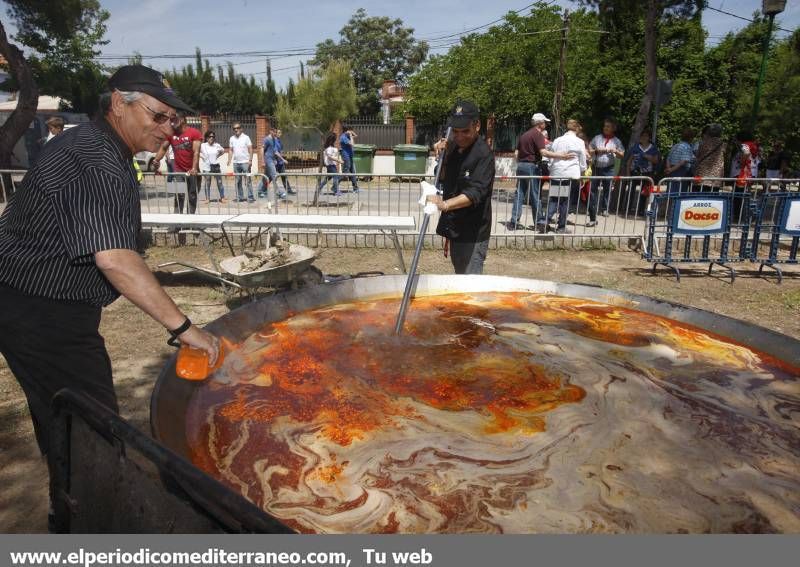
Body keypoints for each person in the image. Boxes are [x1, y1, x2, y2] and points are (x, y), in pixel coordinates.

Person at [0, 65, 219, 529]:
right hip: (39, 312)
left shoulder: (94, 145)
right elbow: (115, 259)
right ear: (119, 103)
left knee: (66, 420)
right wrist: (185, 329)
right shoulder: (95, 158)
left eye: (174, 121)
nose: (169, 129)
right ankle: (87, 525)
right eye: (159, 117)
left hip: (36, 303)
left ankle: (72, 509)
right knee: (90, 431)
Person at [427, 100, 495, 275]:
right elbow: (442, 177)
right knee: (460, 276)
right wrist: (442, 156)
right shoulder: (453, 148)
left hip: (473, 232)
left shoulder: (483, 154)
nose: (459, 136)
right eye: (455, 132)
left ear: (477, 125)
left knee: (470, 282)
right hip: (455, 227)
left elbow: (475, 193)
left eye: (465, 131)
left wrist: (445, 204)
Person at [506, 113, 568, 231]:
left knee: (519, 194)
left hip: (521, 166)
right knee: (535, 195)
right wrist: (561, 155)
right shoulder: (537, 134)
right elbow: (544, 153)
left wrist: (521, 163)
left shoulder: (524, 134)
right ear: (540, 123)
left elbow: (516, 153)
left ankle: (513, 222)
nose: (545, 124)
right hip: (532, 166)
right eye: (544, 122)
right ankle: (539, 223)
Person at [541, 119, 586, 234]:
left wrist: (552, 169)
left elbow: (551, 156)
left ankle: (545, 222)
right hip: (570, 175)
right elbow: (582, 160)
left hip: (557, 173)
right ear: (576, 129)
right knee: (565, 201)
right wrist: (582, 172)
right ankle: (561, 227)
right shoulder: (579, 142)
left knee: (554, 199)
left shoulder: (557, 140)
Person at [153, 114, 201, 213]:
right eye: (171, 120)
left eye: (174, 119)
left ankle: (190, 221)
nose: (172, 122)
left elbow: (196, 152)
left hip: (192, 171)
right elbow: (163, 148)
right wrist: (156, 160)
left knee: (192, 195)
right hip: (178, 171)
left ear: (183, 119)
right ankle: (177, 223)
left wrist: (194, 168)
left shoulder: (194, 133)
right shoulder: (171, 134)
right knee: (179, 195)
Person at [587, 118, 625, 225]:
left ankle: (605, 209)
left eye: (608, 126)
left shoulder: (617, 141)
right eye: (604, 126)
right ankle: (592, 209)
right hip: (596, 167)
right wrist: (596, 151)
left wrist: (615, 151)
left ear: (613, 128)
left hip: (609, 168)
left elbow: (622, 155)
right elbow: (589, 150)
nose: (605, 128)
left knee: (607, 189)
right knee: (593, 189)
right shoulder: (597, 138)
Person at [624, 128, 659, 214]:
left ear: (649, 138)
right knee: (630, 191)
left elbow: (656, 160)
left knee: (644, 192)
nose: (643, 137)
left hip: (647, 173)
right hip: (635, 172)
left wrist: (647, 156)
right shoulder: (635, 147)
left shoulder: (653, 148)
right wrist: (628, 174)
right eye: (642, 136)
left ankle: (640, 210)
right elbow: (629, 161)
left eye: (646, 136)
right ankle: (627, 209)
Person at [226, 123, 254, 203]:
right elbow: (231, 150)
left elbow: (250, 149)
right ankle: (240, 197)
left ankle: (250, 197)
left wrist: (250, 160)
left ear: (241, 129)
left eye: (238, 128)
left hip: (245, 162)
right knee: (238, 181)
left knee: (248, 180)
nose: (236, 129)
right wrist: (229, 159)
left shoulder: (246, 137)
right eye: (234, 128)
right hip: (236, 163)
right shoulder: (232, 138)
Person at [693, 123, 725, 192]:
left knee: (699, 195)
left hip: (702, 174)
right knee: (713, 197)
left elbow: (698, 154)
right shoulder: (723, 144)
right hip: (716, 176)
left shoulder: (703, 143)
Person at [664, 127, 696, 193]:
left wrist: (669, 168)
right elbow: (683, 162)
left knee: (671, 190)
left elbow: (668, 158)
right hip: (682, 171)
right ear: (691, 138)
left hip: (673, 169)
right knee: (679, 191)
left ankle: (669, 203)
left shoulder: (676, 145)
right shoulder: (687, 147)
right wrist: (671, 169)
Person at [199, 130, 226, 203]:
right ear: (207, 137)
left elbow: (223, 151)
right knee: (207, 183)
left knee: (219, 182)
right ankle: (207, 198)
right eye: (210, 136)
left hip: (216, 166)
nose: (211, 138)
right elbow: (196, 151)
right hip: (207, 167)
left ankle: (222, 197)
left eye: (213, 137)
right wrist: (202, 157)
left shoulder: (217, 145)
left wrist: (217, 156)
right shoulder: (203, 145)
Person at [260, 127, 286, 201]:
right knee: (274, 175)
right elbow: (262, 149)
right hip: (268, 160)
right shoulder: (266, 139)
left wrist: (282, 159)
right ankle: (279, 192)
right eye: (274, 132)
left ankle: (261, 191)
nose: (275, 134)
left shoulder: (274, 139)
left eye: (276, 132)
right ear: (270, 131)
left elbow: (275, 151)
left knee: (266, 177)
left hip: (272, 160)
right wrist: (262, 161)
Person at [315, 132, 343, 199]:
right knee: (336, 177)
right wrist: (339, 161)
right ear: (333, 140)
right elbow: (330, 157)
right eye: (335, 139)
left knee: (328, 178)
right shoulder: (329, 148)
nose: (336, 140)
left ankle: (319, 189)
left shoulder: (331, 147)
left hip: (332, 164)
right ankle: (335, 190)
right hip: (330, 165)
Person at [338, 125, 360, 194]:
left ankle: (355, 188)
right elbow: (353, 144)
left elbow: (356, 135)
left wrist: (351, 133)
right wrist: (350, 135)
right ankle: (335, 186)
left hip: (350, 156)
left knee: (353, 172)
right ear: (347, 130)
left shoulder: (347, 136)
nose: (351, 132)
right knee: (345, 172)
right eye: (350, 130)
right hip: (346, 156)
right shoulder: (343, 137)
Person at [274, 128, 296, 195]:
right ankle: (262, 189)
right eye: (279, 133)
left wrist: (282, 157)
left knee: (284, 177)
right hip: (275, 162)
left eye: (281, 133)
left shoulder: (279, 141)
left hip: (280, 163)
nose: (280, 134)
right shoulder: (274, 141)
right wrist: (283, 159)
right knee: (270, 177)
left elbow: (280, 151)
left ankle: (289, 190)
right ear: (275, 133)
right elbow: (276, 152)